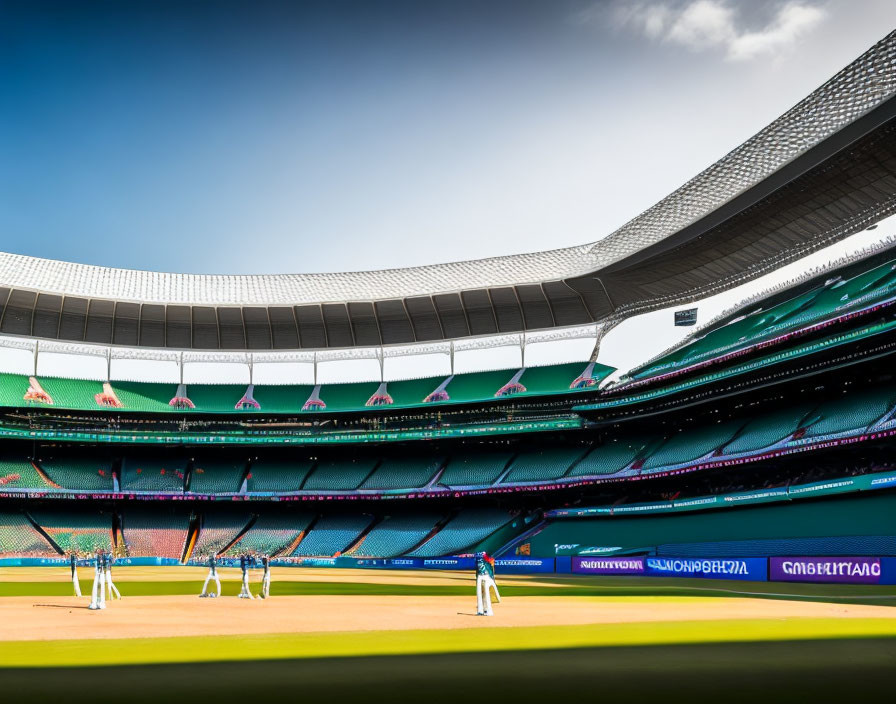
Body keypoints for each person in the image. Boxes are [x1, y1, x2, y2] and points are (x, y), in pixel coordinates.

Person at [475, 551, 500, 616]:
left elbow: (489, 561)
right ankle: (481, 611)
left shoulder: (488, 560)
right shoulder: (484, 559)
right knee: (481, 593)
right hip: (480, 576)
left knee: (485, 593)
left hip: (486, 576)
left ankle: (487, 610)